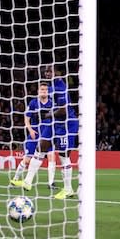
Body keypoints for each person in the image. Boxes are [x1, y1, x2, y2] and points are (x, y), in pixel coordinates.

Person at [10, 82, 54, 191]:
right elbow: (26, 119)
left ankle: (51, 183)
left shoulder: (52, 103)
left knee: (51, 158)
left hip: (48, 134)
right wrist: (31, 130)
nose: (43, 91)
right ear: (38, 91)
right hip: (35, 134)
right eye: (42, 90)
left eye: (45, 90)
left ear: (48, 92)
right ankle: (15, 179)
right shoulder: (33, 103)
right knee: (27, 159)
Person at [44, 65, 79, 200]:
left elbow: (63, 110)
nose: (47, 73)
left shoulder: (60, 86)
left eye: (50, 71)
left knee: (64, 155)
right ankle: (68, 188)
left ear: (57, 72)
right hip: (60, 124)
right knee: (63, 155)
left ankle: (68, 189)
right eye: (46, 71)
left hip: (67, 124)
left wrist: (48, 115)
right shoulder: (51, 86)